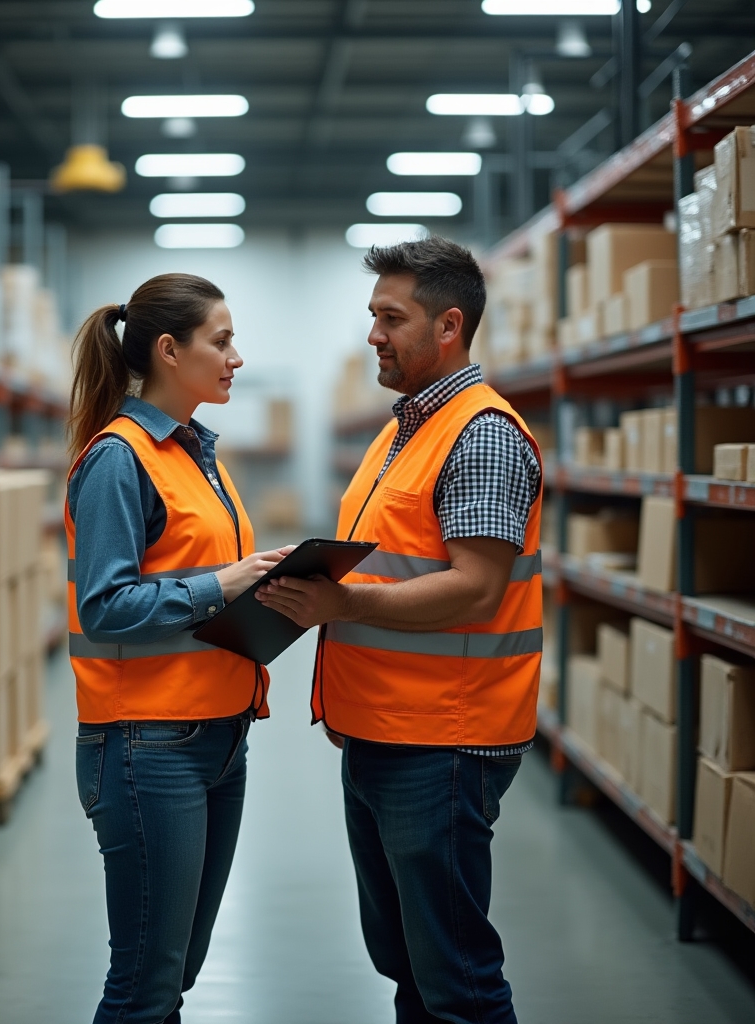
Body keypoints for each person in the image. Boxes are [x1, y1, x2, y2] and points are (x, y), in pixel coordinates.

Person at [257, 237, 542, 1024]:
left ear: (448, 326)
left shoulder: (478, 432)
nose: (373, 335)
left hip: (442, 738)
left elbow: (477, 589)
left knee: (457, 980)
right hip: (386, 728)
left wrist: (344, 606)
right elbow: (397, 559)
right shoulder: (404, 428)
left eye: (391, 318)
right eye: (372, 316)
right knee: (409, 964)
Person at [65, 273, 289, 1024]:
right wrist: (221, 586)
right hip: (146, 746)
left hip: (220, 740)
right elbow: (104, 606)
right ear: (169, 350)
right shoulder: (117, 460)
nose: (237, 357)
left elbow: (206, 581)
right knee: (144, 985)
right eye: (221, 341)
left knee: (177, 970)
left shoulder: (201, 456)